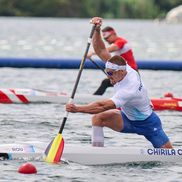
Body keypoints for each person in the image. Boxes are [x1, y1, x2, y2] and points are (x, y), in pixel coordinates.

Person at [66, 17, 172, 149]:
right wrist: (97, 30)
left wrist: (78, 109)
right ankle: (97, 152)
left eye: (111, 73)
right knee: (98, 118)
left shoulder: (129, 88)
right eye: (107, 72)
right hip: (127, 118)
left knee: (169, 156)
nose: (108, 76)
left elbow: (102, 105)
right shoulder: (122, 67)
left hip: (148, 124)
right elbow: (100, 50)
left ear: (121, 73)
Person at [87, 24, 138, 95]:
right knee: (108, 82)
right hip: (124, 72)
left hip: (130, 73)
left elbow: (108, 49)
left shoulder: (121, 41)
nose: (106, 40)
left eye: (107, 37)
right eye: (105, 39)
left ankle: (93, 100)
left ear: (114, 34)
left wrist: (92, 52)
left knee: (106, 82)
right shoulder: (118, 42)